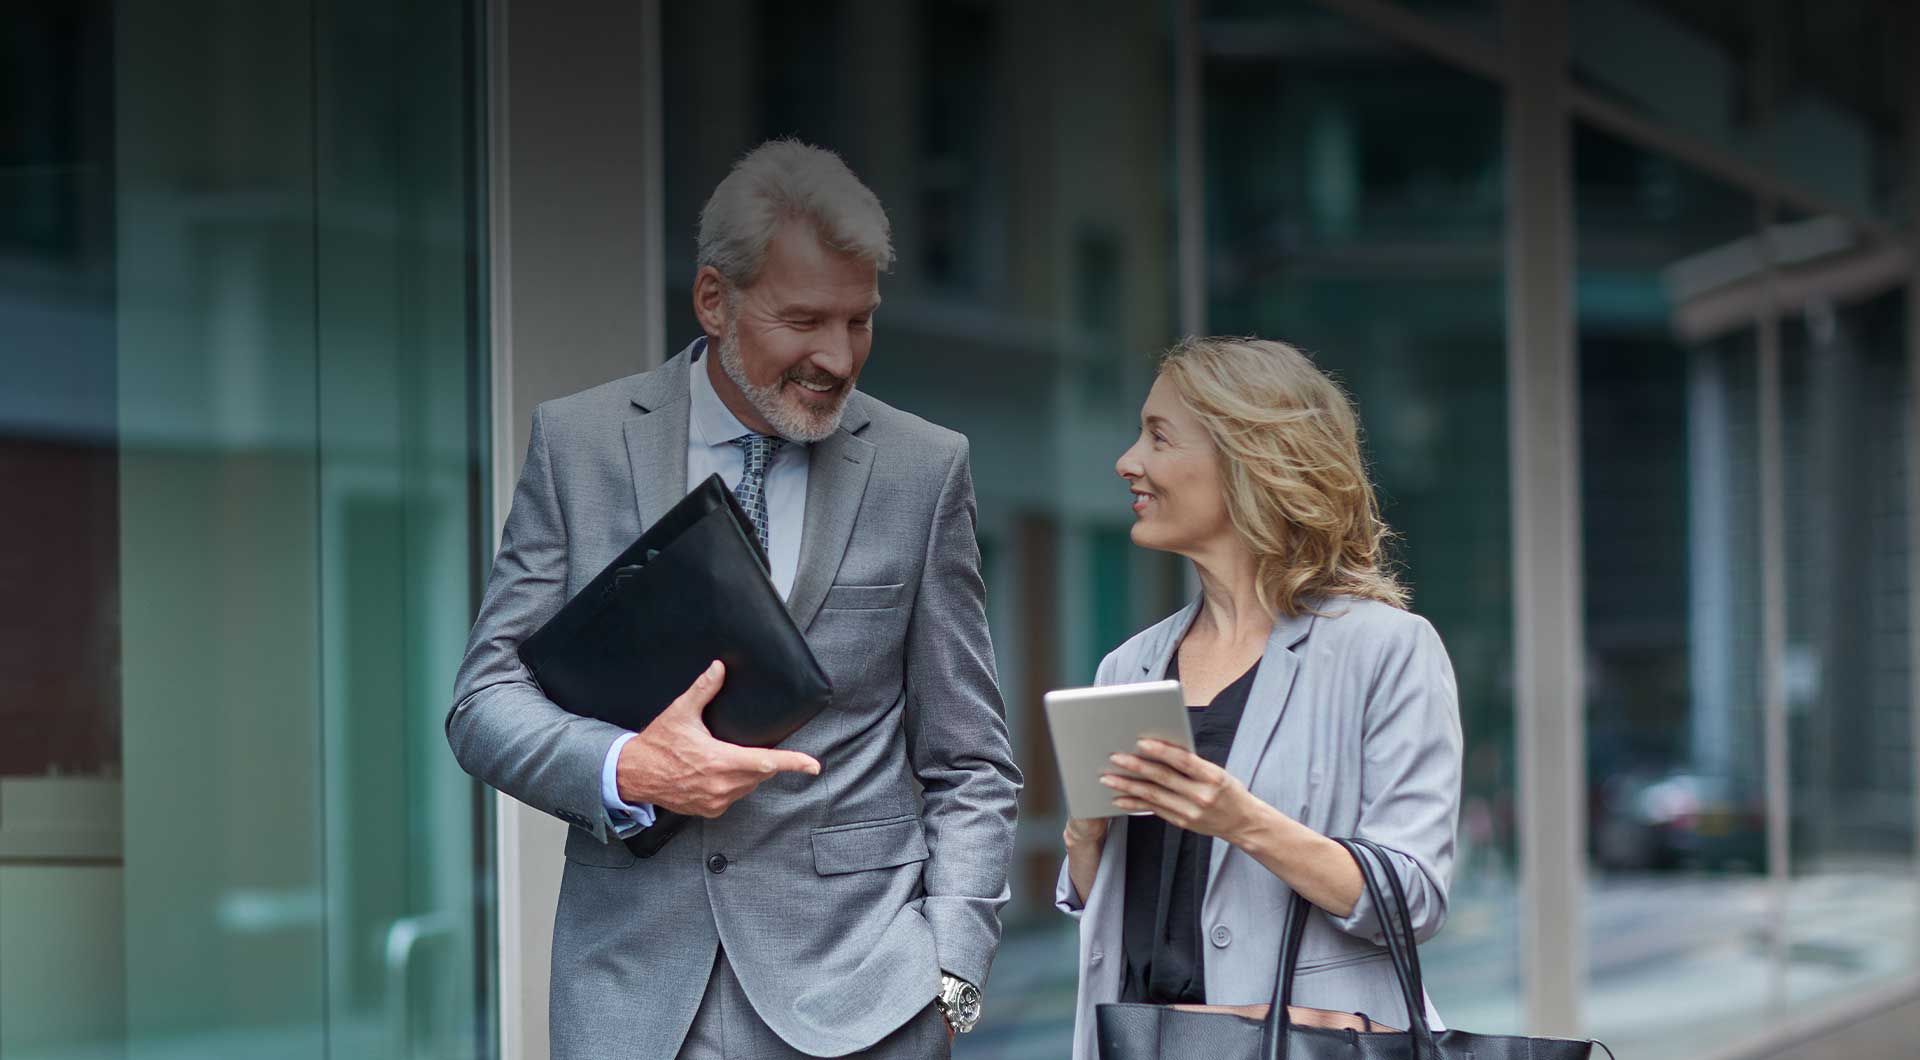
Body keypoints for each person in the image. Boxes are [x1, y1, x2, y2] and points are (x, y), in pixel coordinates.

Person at [447, 140, 1021, 1060]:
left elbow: (971, 762)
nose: (838, 356)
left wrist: (951, 973)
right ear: (714, 300)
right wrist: (626, 768)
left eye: (859, 321)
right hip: (632, 1002)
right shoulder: (580, 443)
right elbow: (483, 703)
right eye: (804, 319)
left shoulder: (925, 467)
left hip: (866, 1000)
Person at [1056, 336, 1463, 1060]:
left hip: (1306, 1044)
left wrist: (1241, 821)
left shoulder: (1386, 650)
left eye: (1157, 435)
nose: (1129, 461)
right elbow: (1113, 903)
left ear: (1247, 460)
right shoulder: (1129, 666)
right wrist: (1084, 839)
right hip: (1137, 1040)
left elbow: (1414, 898)